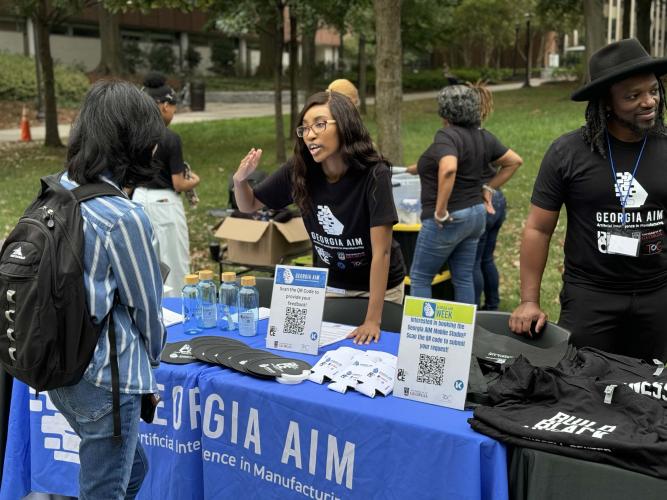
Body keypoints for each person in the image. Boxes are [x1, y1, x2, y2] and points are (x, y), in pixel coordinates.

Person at [509, 38, 667, 361]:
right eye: (633, 96)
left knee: (655, 395)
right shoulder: (567, 153)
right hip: (591, 297)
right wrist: (528, 300)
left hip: (658, 296)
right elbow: (538, 229)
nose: (649, 101)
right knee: (582, 389)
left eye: (653, 90)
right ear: (606, 102)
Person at [47, 80, 167, 498]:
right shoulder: (122, 216)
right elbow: (147, 311)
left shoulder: (56, 192)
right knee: (106, 490)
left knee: (131, 470)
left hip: (59, 369)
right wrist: (154, 361)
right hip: (105, 380)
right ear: (133, 141)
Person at [232, 90, 405, 344]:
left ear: (345, 125)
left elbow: (383, 253)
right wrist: (240, 180)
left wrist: (372, 320)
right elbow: (249, 205)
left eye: (320, 124)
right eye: (304, 128)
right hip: (331, 286)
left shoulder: (374, 174)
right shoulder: (300, 170)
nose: (310, 134)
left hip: (380, 291)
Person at [409, 84, 522, 303]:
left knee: (421, 277)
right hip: (476, 216)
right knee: (463, 278)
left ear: (444, 111)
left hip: (449, 218)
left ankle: (421, 336)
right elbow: (514, 161)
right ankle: (465, 333)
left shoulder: (447, 135)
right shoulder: (482, 136)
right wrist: (489, 187)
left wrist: (440, 210)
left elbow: (449, 167)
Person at [133, 72, 200, 296]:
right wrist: (195, 181)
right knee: (175, 264)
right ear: (162, 106)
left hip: (138, 199)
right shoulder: (170, 138)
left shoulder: (133, 135)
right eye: (173, 105)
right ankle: (179, 314)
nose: (174, 111)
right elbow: (179, 183)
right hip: (165, 202)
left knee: (144, 262)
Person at [472, 83, 523, 310]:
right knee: (486, 258)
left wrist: (487, 188)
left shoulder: (466, 138)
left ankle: (472, 312)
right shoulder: (487, 136)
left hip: (484, 203)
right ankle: (492, 305)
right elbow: (513, 161)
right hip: (498, 201)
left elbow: (515, 161)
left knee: (472, 262)